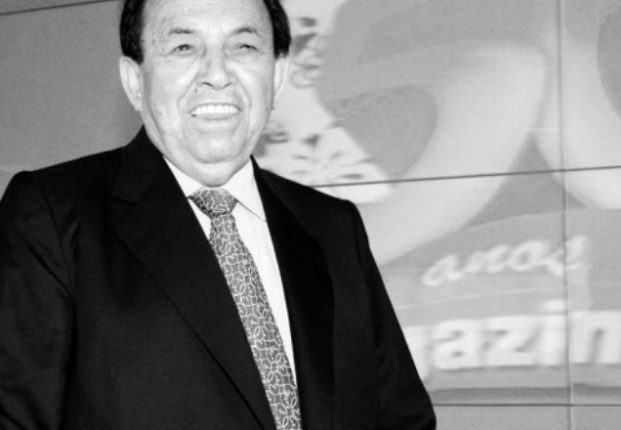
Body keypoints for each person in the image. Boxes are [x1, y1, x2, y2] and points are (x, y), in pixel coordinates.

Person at [0, 0, 436, 428]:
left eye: (243, 47)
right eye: (183, 47)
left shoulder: (333, 227)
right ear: (135, 81)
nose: (217, 74)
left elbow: (401, 417)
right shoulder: (53, 215)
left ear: (277, 75)